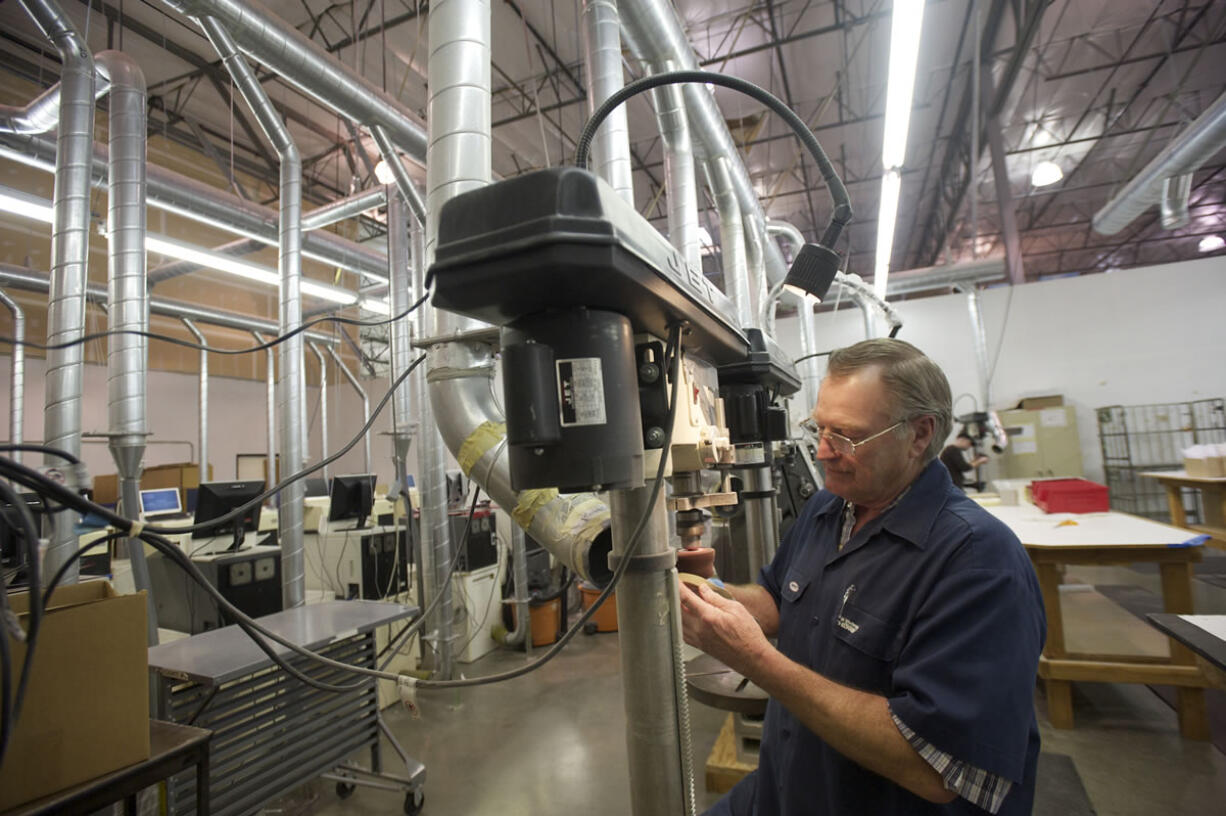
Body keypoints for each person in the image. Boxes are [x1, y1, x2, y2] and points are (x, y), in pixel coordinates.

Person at [680, 339, 1045, 816]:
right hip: (784, 791)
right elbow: (778, 597)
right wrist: (714, 594)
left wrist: (755, 659)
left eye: (847, 436)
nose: (824, 451)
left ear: (919, 434)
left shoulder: (979, 562)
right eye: (819, 428)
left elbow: (936, 769)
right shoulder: (830, 506)